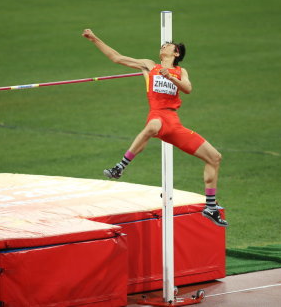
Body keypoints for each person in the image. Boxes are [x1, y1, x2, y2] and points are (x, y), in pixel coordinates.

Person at [82, 29, 228, 227]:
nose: (163, 46)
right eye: (162, 45)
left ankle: (210, 207)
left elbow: (188, 89)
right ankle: (120, 166)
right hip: (158, 114)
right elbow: (116, 57)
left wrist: (171, 77)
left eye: (168, 45)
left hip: (174, 123)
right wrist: (94, 39)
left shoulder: (181, 71)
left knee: (215, 157)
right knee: (153, 126)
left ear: (176, 53)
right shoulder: (149, 66)